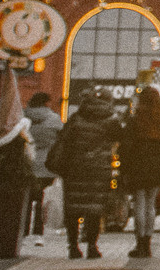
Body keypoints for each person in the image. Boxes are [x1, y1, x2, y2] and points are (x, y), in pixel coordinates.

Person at [45, 91, 119, 259]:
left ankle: (73, 246)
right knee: (94, 208)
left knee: (73, 208)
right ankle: (92, 246)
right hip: (99, 170)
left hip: (75, 169)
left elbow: (63, 141)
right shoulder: (110, 120)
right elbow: (120, 138)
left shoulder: (76, 119)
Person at [118, 85, 160, 258]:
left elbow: (125, 148)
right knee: (151, 205)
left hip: (137, 168)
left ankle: (140, 243)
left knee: (139, 205)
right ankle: (147, 243)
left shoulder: (134, 122)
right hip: (156, 169)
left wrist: (124, 168)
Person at [23, 90, 64, 238]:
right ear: (46, 102)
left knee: (27, 197)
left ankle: (24, 230)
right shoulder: (54, 119)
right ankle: (38, 231)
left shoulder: (23, 117)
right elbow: (63, 139)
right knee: (42, 197)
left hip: (28, 162)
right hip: (47, 165)